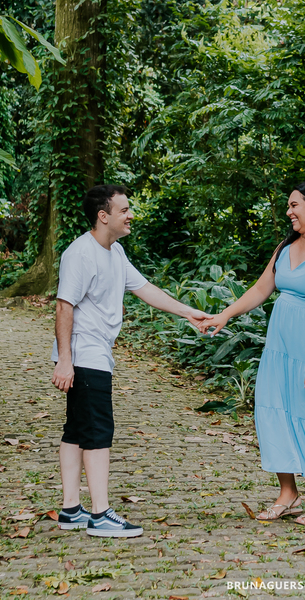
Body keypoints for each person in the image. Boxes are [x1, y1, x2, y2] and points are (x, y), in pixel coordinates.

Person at [198, 181, 305, 525]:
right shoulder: (285, 247)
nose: (288, 212)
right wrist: (225, 314)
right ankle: (288, 493)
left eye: (294, 205)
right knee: (277, 412)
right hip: (281, 348)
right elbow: (262, 288)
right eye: (288, 206)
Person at [51, 184, 207, 537]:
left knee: (77, 430)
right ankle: (101, 514)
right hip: (85, 353)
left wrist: (188, 313)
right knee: (98, 432)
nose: (130, 215)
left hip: (94, 352)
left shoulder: (115, 252)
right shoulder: (81, 253)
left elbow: (144, 288)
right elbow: (64, 305)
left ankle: (71, 509)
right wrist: (65, 360)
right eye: (124, 210)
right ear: (103, 216)